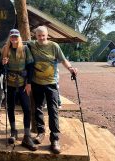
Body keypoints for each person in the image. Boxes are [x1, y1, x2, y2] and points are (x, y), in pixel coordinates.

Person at [28, 26, 77, 154]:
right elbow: (17, 43)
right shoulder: (31, 45)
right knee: (38, 108)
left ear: (47, 35)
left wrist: (71, 68)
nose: (41, 38)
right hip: (37, 82)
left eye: (43, 35)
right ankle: (40, 132)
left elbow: (63, 60)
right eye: (39, 36)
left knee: (53, 110)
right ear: (35, 36)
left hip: (51, 83)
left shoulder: (54, 46)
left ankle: (55, 138)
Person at [2, 29, 37, 151]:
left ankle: (27, 136)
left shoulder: (25, 49)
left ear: (19, 37)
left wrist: (29, 83)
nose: (14, 39)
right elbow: (2, 69)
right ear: (9, 38)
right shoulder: (5, 49)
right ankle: (13, 131)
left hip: (23, 83)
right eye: (12, 37)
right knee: (10, 107)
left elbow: (30, 66)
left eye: (16, 36)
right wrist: (3, 63)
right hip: (10, 83)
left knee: (27, 108)